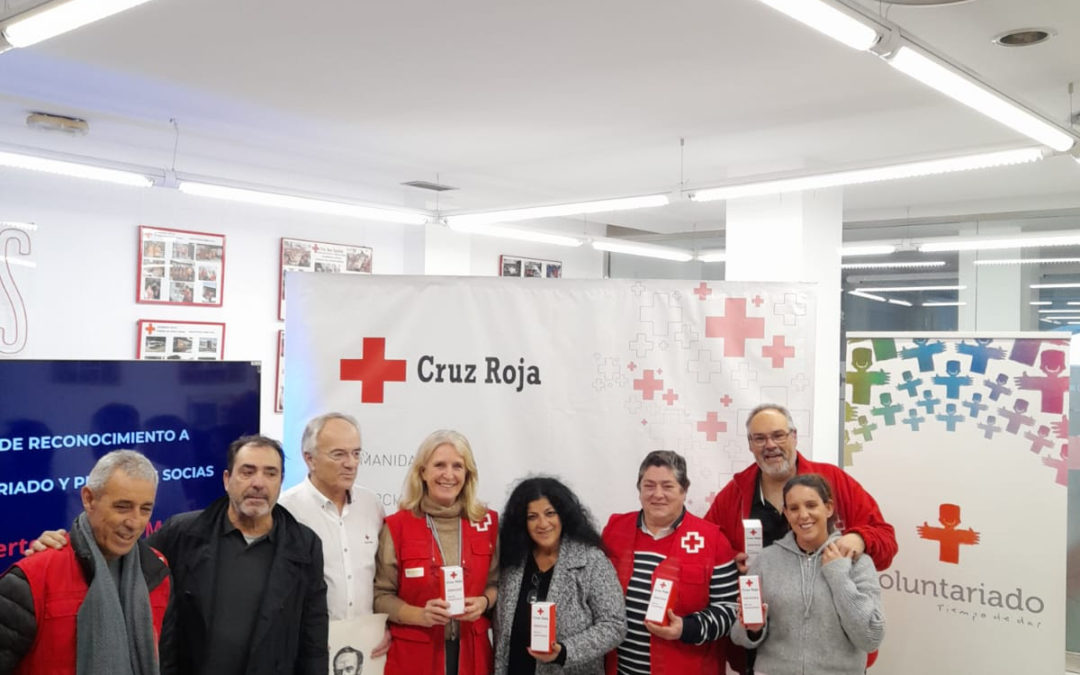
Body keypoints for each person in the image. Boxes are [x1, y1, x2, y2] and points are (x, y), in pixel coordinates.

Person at [26, 434, 329, 675]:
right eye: (247, 471)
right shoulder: (183, 532)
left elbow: (313, 636)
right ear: (227, 479)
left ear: (280, 482)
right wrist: (63, 544)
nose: (258, 483)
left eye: (270, 473)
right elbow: (117, 554)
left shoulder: (305, 545)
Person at [704, 403, 895, 674]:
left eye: (778, 435)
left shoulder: (833, 480)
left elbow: (886, 540)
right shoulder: (736, 492)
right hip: (764, 654)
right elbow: (706, 547)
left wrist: (861, 538)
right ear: (750, 445)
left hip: (835, 657)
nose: (770, 445)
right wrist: (729, 560)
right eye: (760, 438)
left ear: (794, 436)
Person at [0, 450, 170, 674]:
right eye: (122, 507)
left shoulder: (157, 572)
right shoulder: (31, 578)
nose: (134, 522)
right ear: (88, 499)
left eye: (145, 509)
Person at [730, 474, 885, 674]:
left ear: (828, 508)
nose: (803, 515)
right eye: (794, 508)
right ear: (785, 513)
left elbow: (871, 637)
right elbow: (737, 635)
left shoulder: (858, 563)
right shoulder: (765, 560)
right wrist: (753, 629)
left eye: (811, 505)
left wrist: (838, 575)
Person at [602, 450, 739, 675]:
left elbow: (730, 609)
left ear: (684, 490)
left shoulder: (712, 539)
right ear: (639, 489)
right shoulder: (614, 530)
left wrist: (686, 628)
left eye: (667, 486)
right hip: (621, 669)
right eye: (649, 485)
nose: (657, 494)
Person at [373, 429, 498, 675]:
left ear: (468, 474)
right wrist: (419, 615)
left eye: (457, 466)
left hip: (473, 654)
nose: (448, 475)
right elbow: (380, 596)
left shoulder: (488, 523)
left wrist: (484, 602)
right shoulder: (397, 526)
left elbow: (497, 585)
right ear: (423, 472)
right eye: (439, 465)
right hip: (415, 655)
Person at [278, 413, 390, 655]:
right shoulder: (287, 511)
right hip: (308, 649)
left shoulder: (372, 505)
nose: (351, 463)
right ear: (310, 459)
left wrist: (388, 626)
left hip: (367, 648)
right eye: (338, 454)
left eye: (356, 453)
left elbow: (384, 579)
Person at [493, 477, 626, 675]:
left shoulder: (591, 560)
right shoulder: (512, 562)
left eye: (550, 513)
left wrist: (565, 652)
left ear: (564, 515)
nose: (543, 523)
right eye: (532, 517)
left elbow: (614, 625)